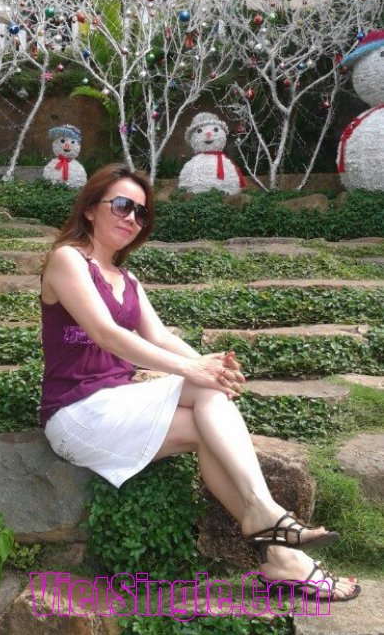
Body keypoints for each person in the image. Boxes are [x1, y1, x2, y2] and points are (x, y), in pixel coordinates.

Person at [40, 163, 360, 602]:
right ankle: (270, 522)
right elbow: (106, 334)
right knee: (206, 394)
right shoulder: (68, 259)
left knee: (209, 417)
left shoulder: (127, 280)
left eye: (141, 212)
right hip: (77, 414)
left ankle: (279, 551)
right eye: (122, 205)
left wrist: (210, 367)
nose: (132, 218)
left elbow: (160, 336)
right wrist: (192, 370)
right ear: (91, 208)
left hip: (117, 401)